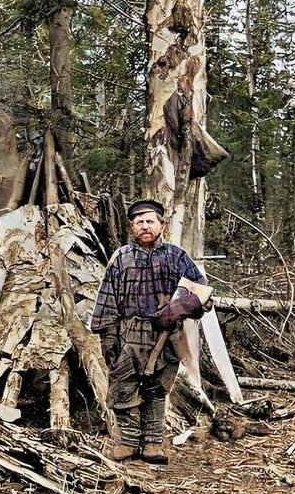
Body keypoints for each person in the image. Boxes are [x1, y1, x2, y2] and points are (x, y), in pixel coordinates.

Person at [89, 198, 210, 464]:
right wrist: (107, 335)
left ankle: (153, 443)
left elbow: (203, 295)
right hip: (128, 332)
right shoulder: (120, 258)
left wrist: (178, 309)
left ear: (162, 225)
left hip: (167, 335)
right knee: (123, 387)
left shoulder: (177, 257)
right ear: (131, 227)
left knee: (156, 389)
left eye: (150, 221)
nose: (145, 226)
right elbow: (107, 298)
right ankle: (129, 442)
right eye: (139, 222)